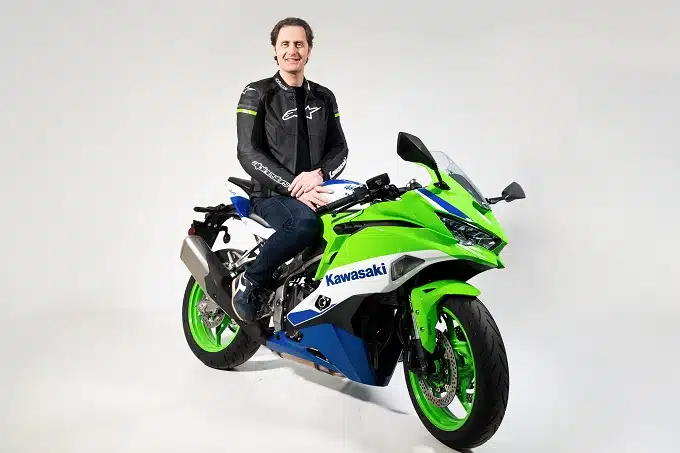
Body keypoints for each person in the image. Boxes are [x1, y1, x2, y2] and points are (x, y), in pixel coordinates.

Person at [230, 17, 350, 323]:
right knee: (303, 226)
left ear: (309, 50)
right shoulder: (256, 93)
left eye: (299, 44)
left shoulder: (324, 97)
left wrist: (319, 175)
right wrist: (293, 186)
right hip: (270, 193)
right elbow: (247, 152)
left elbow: (340, 149)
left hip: (316, 189)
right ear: (275, 49)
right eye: (285, 44)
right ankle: (251, 281)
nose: (292, 51)